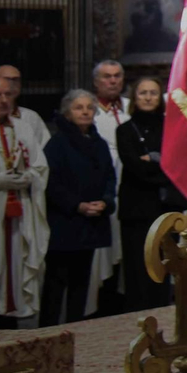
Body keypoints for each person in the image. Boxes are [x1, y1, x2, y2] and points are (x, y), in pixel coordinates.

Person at [39, 89, 115, 326]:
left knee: (81, 283)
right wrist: (77, 205)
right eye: (78, 108)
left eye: (89, 108)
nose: (85, 112)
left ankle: (76, 329)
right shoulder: (57, 144)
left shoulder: (99, 143)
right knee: (56, 283)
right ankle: (48, 332)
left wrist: (105, 201)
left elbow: (110, 177)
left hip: (92, 223)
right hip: (65, 223)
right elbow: (51, 183)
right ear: (67, 113)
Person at [0, 75, 49, 328]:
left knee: (16, 270)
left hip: (20, 215)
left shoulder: (22, 128)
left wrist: (29, 176)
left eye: (8, 95)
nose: (3, 100)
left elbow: (41, 167)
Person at [115, 77, 181, 312]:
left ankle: (162, 311)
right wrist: (161, 165)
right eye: (143, 93)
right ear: (134, 98)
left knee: (163, 267)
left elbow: (178, 165)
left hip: (165, 209)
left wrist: (153, 162)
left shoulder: (171, 128)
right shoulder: (124, 130)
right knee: (137, 268)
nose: (148, 97)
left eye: (153, 93)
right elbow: (135, 168)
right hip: (136, 210)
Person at [86, 58, 129, 317]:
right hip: (102, 190)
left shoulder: (129, 109)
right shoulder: (88, 111)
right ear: (95, 82)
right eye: (107, 76)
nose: (113, 81)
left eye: (117, 76)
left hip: (130, 191)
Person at [0, 64, 48, 143]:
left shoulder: (31, 117)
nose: (11, 84)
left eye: (15, 80)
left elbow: (43, 148)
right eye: (6, 79)